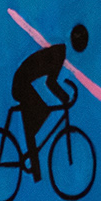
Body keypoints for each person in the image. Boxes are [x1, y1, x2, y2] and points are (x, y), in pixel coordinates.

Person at [11, 21, 88, 169]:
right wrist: (64, 97)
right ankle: (32, 163)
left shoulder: (59, 53)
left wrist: (64, 96)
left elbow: (50, 81)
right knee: (39, 113)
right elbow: (50, 83)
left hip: (23, 81)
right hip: (21, 83)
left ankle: (32, 158)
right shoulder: (58, 54)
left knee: (40, 114)